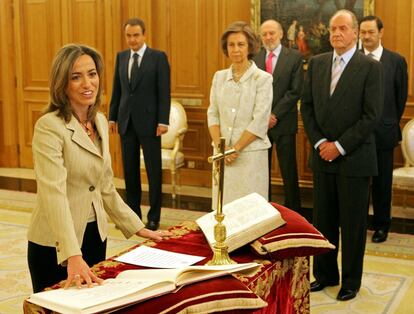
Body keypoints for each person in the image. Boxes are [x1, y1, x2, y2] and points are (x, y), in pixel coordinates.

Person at [28, 44, 171, 293]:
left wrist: (137, 226)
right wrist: (72, 254)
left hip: (95, 235)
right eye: (76, 77)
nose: (87, 83)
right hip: (57, 243)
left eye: (92, 74)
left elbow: (104, 186)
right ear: (62, 84)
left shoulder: (101, 121)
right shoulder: (49, 127)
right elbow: (53, 194)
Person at [300, 10, 383, 301]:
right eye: (333, 29)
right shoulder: (318, 63)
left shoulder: (370, 67)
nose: (336, 33)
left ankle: (350, 281)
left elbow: (371, 116)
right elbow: (306, 107)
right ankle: (324, 274)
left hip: (354, 159)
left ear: (355, 32)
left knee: (353, 225)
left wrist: (340, 146)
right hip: (322, 157)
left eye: (343, 28)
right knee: (323, 221)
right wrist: (322, 141)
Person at [109, 18, 171, 231]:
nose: (132, 39)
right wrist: (112, 117)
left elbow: (164, 92)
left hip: (151, 124)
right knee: (130, 171)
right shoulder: (121, 57)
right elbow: (117, 90)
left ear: (144, 35)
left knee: (153, 172)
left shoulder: (158, 57)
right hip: (126, 122)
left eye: (136, 35)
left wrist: (163, 120)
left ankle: (154, 216)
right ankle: (133, 215)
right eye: (128, 35)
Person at [207, 21, 272, 207]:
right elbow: (213, 113)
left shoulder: (263, 79)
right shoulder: (219, 77)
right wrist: (221, 149)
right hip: (222, 155)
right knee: (223, 208)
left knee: (249, 212)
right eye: (231, 45)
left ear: (250, 46)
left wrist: (235, 149)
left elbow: (259, 120)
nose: (235, 49)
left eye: (241, 44)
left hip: (249, 155)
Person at [359, 15, 408, 243]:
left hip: (384, 133)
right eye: (363, 32)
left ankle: (381, 226)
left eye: (370, 32)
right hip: (356, 134)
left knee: (382, 184)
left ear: (381, 33)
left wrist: (388, 122)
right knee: (358, 182)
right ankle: (358, 223)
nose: (366, 36)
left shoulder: (396, 61)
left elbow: (399, 99)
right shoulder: (354, 60)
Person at [253, 19, 303, 211]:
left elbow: (295, 91)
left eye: (272, 33)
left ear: (281, 34)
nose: (268, 37)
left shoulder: (295, 57)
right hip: (259, 126)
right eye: (264, 34)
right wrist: (263, 116)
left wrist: (274, 115)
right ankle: (262, 208)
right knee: (260, 171)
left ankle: (294, 210)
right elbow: (252, 91)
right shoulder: (255, 58)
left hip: (283, 123)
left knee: (288, 170)